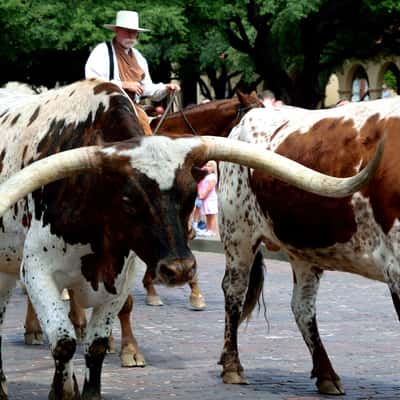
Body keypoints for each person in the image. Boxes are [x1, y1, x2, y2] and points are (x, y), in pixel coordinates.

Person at [85, 10, 180, 104]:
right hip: (106, 108)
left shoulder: (139, 57)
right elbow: (92, 83)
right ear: (117, 31)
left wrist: (165, 88)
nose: (131, 35)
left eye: (134, 32)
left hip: (132, 108)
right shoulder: (102, 51)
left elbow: (147, 89)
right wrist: (123, 85)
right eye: (127, 31)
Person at [197, 161, 218, 237]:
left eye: (209, 166)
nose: (206, 167)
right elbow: (200, 185)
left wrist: (203, 195)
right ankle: (208, 229)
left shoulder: (212, 177)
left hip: (210, 198)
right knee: (207, 214)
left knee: (211, 215)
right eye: (206, 165)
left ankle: (212, 230)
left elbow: (209, 188)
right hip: (204, 198)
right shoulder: (205, 176)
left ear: (213, 169)